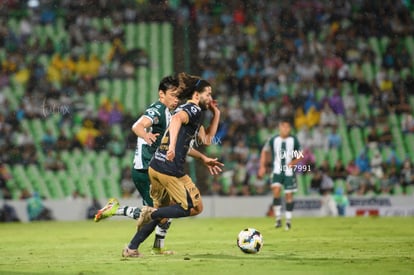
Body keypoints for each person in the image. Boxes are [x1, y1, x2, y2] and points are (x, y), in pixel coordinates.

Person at [122, 73, 223, 257]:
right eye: (208, 94)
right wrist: (172, 149)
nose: (211, 98)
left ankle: (131, 248)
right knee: (189, 207)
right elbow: (176, 122)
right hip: (168, 168)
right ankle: (149, 214)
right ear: (197, 95)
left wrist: (217, 114)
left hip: (158, 166)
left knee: (171, 211)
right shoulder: (192, 110)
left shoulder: (189, 110)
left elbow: (207, 139)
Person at [94, 75, 181, 254]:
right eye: (173, 95)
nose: (176, 99)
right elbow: (137, 125)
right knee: (158, 213)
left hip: (155, 168)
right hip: (145, 170)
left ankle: (156, 246)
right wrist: (145, 134)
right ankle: (120, 217)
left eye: (178, 96)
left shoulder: (170, 113)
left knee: (164, 209)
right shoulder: (157, 109)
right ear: (161, 94)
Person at [258, 119, 302, 230]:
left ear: (290, 129)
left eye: (288, 127)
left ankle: (288, 220)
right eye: (284, 127)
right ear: (280, 128)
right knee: (276, 191)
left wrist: (293, 162)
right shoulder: (273, 139)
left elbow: (300, 154)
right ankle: (278, 218)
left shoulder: (293, 140)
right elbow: (265, 151)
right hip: (276, 170)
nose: (286, 129)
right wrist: (262, 167)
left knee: (288, 195)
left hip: (288, 172)